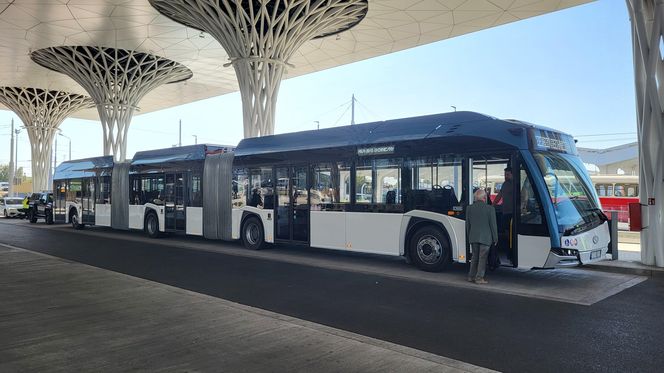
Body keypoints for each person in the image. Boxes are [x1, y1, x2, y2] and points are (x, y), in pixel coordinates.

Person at [466, 189, 498, 284]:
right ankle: (479, 278)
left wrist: (469, 236)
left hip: (473, 236)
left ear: (475, 198)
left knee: (474, 257)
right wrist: (495, 238)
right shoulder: (490, 209)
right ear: (485, 198)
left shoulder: (469, 208)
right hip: (485, 238)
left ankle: (471, 276)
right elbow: (493, 225)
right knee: (482, 258)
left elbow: (468, 225)